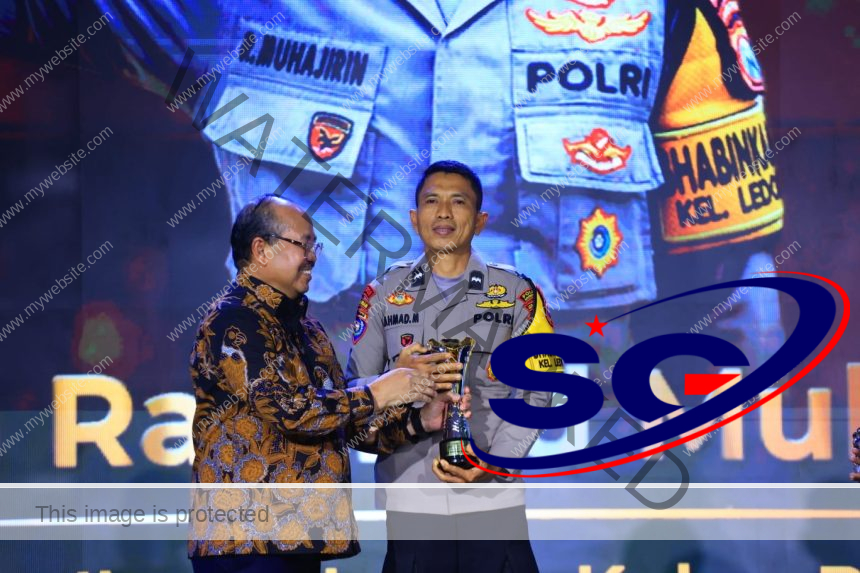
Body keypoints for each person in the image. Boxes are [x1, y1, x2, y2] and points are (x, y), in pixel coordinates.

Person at [188, 194, 470, 572]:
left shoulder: (308, 329)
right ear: (261, 250)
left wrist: (420, 421)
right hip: (246, 537)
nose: (312, 256)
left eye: (314, 245)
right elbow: (290, 412)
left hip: (298, 535)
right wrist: (380, 390)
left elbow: (341, 425)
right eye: (302, 244)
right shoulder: (234, 320)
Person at [345, 161, 563, 572]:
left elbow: (540, 391)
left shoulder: (519, 293)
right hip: (412, 498)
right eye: (432, 201)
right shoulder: (382, 293)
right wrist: (397, 380)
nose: (443, 212)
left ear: (480, 220)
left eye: (458, 202)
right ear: (414, 218)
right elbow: (355, 394)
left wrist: (496, 463)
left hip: (493, 497)